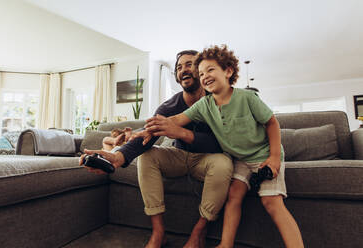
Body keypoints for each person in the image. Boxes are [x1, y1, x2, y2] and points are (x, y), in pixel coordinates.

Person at [144, 45, 304, 248]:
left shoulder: (247, 98)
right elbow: (178, 118)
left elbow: (272, 123)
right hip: (240, 160)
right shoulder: (204, 104)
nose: (204, 76)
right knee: (233, 196)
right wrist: (151, 127)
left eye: (210, 70)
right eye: (201, 73)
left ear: (228, 71)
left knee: (271, 202)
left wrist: (273, 157)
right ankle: (225, 244)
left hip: (264, 156)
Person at [79, 50, 234, 248]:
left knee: (224, 163)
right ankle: (159, 233)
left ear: (201, 70)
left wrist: (181, 132)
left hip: (210, 159)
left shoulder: (220, 100)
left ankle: (199, 231)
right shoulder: (170, 106)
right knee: (147, 156)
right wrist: (118, 156)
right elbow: (147, 134)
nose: (183, 70)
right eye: (179, 67)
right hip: (180, 156)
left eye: (189, 64)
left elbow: (224, 143)